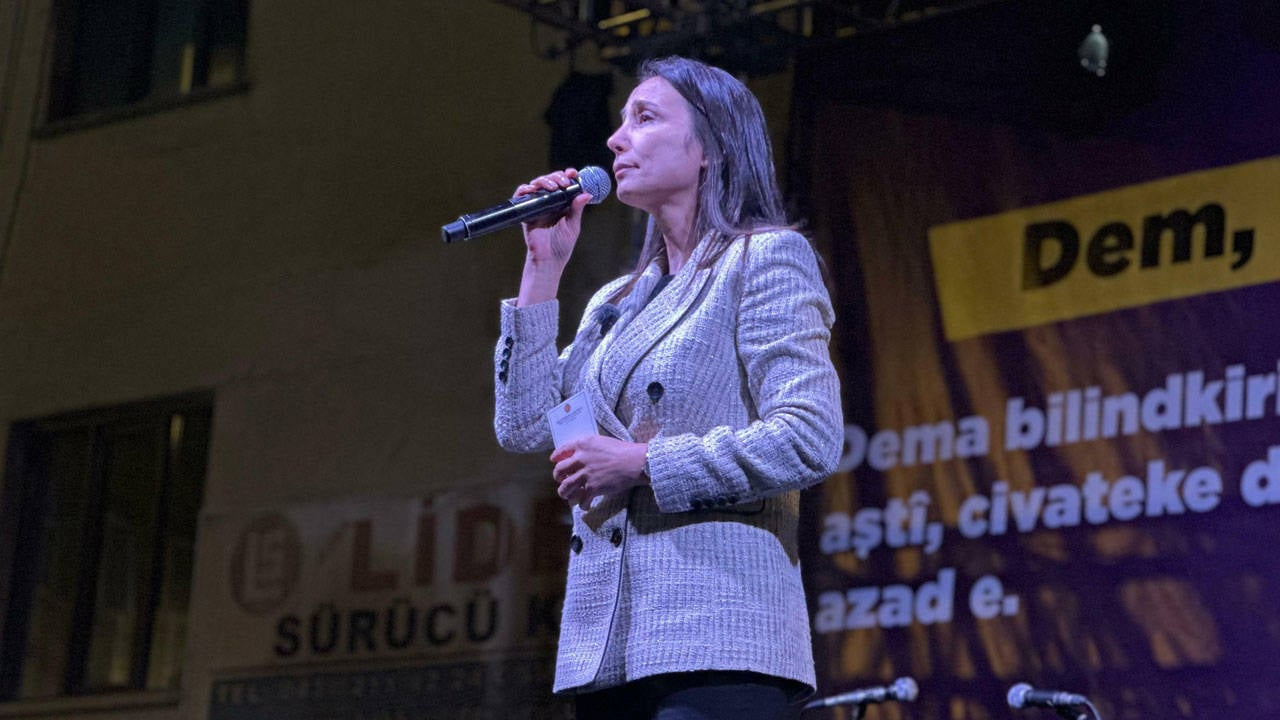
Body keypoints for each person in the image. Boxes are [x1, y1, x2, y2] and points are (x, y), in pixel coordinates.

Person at [493, 56, 843, 720]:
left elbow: (809, 437)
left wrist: (641, 463)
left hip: (719, 636)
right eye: (621, 120)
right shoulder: (614, 303)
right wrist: (542, 270)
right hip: (610, 650)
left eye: (645, 118)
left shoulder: (763, 259)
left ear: (710, 146)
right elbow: (525, 425)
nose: (615, 138)